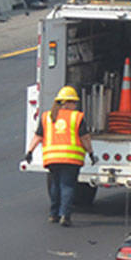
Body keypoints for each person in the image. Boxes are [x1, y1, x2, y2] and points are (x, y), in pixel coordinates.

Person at [25, 85, 87, 225]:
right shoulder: (76, 117)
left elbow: (38, 136)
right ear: (67, 103)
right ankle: (65, 215)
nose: (75, 105)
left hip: (52, 158)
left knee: (55, 185)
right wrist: (90, 152)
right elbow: (85, 138)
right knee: (67, 186)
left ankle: (53, 214)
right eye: (74, 102)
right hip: (71, 158)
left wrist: (29, 152)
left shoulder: (47, 116)